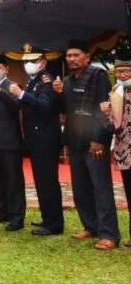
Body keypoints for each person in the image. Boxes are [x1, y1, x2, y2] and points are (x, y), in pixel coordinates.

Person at [53, 39, 120, 250]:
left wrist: (98, 139)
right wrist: (58, 93)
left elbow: (103, 110)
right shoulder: (67, 80)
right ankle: (91, 227)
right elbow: (64, 110)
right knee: (80, 188)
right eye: (69, 56)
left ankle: (109, 234)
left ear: (87, 57)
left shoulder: (98, 77)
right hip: (75, 140)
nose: (71, 59)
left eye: (76, 55)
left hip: (94, 142)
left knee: (101, 188)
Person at [8, 43, 64, 236]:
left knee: (48, 181)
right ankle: (47, 216)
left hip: (46, 139)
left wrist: (21, 94)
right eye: (26, 61)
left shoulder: (46, 81)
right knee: (41, 181)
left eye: (33, 61)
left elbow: (43, 106)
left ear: (43, 63)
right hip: (37, 138)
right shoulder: (34, 80)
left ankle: (54, 223)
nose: (28, 64)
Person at [0, 54, 26, 231]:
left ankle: (17, 217)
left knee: (14, 180)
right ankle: (4, 211)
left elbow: (16, 107)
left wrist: (0, 92)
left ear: (6, 70)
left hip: (9, 141)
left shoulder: (13, 86)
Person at [101, 49, 131, 247]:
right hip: (125, 151)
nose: (122, 75)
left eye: (126, 71)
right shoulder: (115, 92)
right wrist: (106, 113)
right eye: (118, 71)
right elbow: (113, 127)